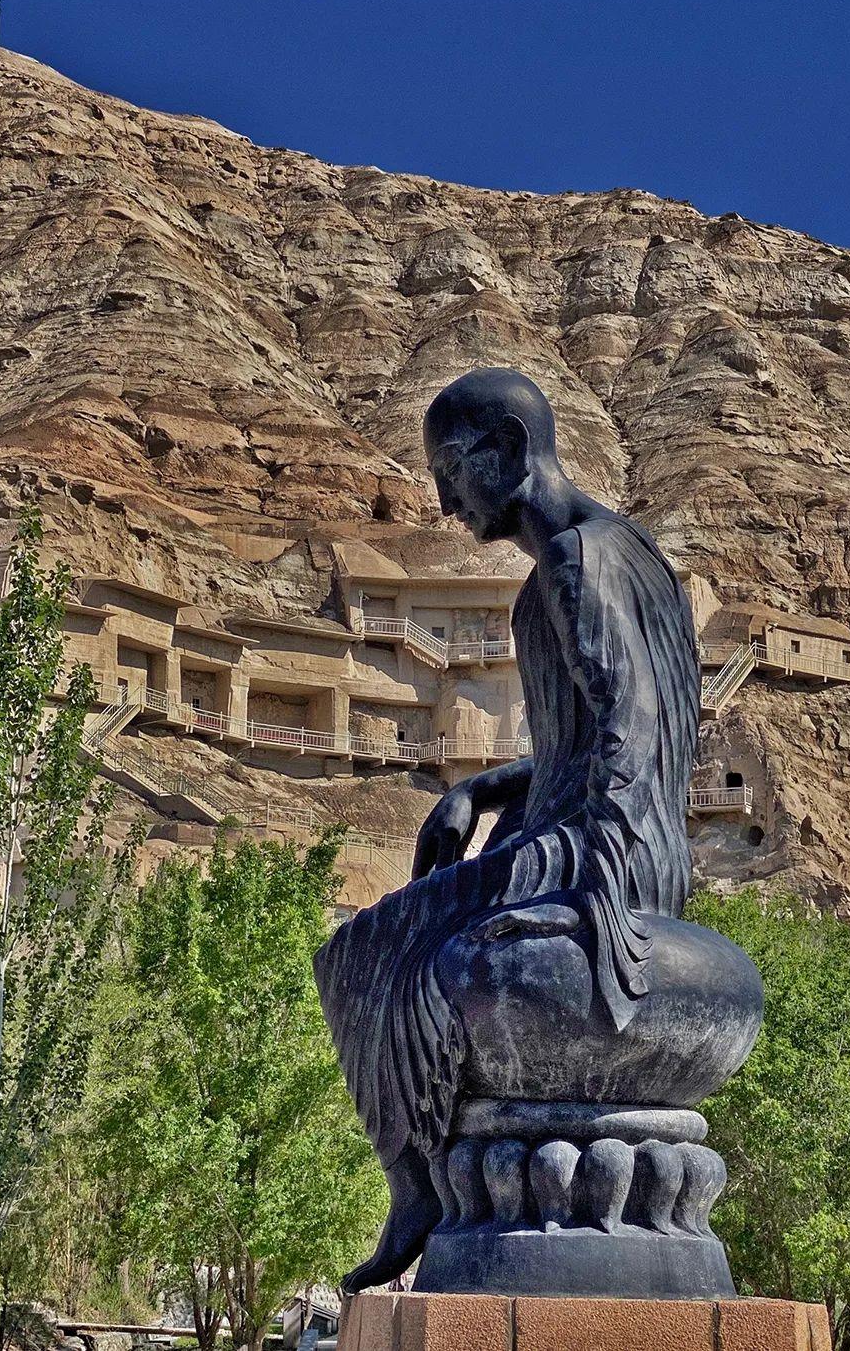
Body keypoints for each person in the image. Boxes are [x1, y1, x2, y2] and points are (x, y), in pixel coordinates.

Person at [314, 368, 706, 1290]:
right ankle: (423, 1177)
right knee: (418, 915)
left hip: (610, 856)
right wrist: (481, 790)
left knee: (361, 952)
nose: (443, 497)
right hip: (619, 841)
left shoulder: (575, 564)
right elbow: (582, 745)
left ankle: (413, 1183)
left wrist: (595, 894)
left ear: (510, 451)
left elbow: (630, 733)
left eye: (451, 468)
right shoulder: (607, 552)